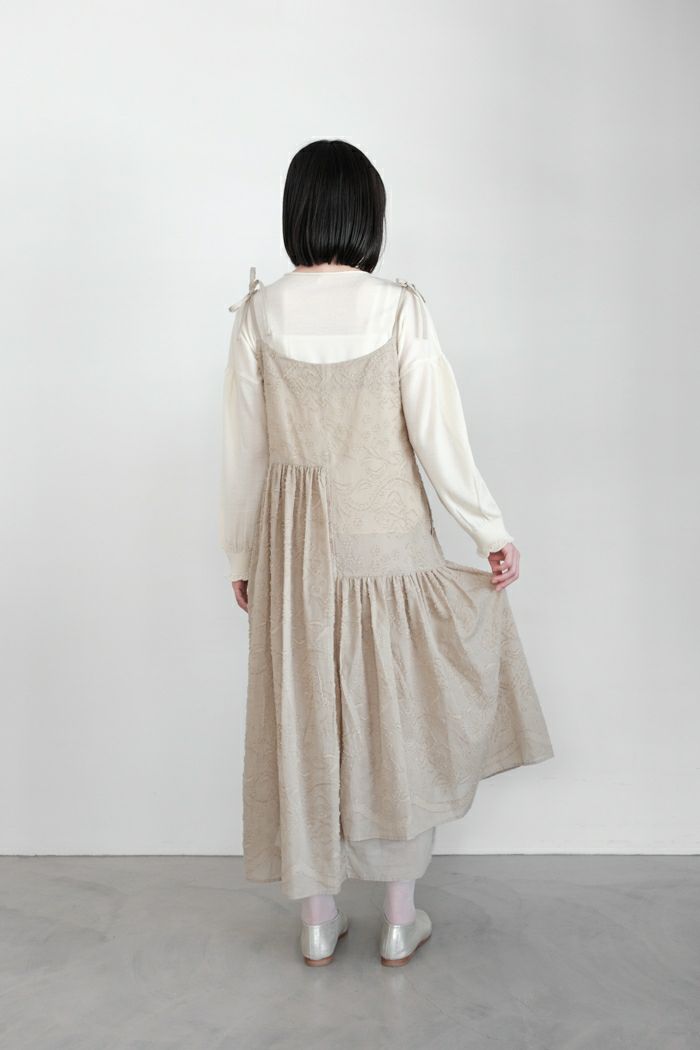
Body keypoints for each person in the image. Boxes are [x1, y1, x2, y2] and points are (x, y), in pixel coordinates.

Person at [220, 139, 554, 967]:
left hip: (296, 554)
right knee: (394, 720)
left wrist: (243, 555)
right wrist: (488, 530)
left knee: (307, 716)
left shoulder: (259, 312)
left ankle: (316, 919)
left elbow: (243, 452)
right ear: (368, 214)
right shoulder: (400, 309)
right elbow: (440, 438)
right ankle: (401, 919)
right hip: (390, 542)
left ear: (298, 210)